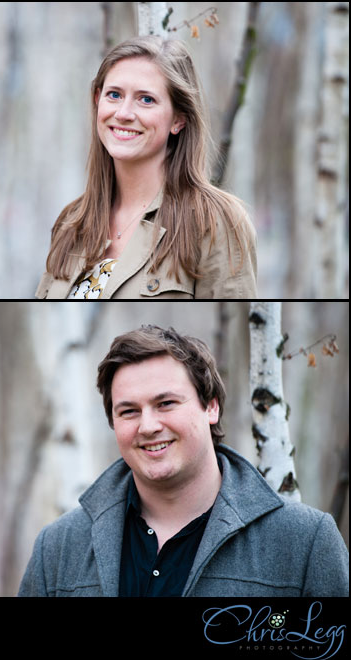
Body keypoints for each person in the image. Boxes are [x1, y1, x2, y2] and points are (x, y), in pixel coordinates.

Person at [19, 325, 348, 597]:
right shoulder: (58, 549)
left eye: (165, 403)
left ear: (211, 407)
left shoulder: (304, 542)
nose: (148, 426)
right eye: (129, 411)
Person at [35, 37, 257, 299]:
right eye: (114, 95)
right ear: (98, 100)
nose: (124, 113)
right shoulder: (71, 223)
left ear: (179, 119)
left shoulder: (216, 221)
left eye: (146, 99)